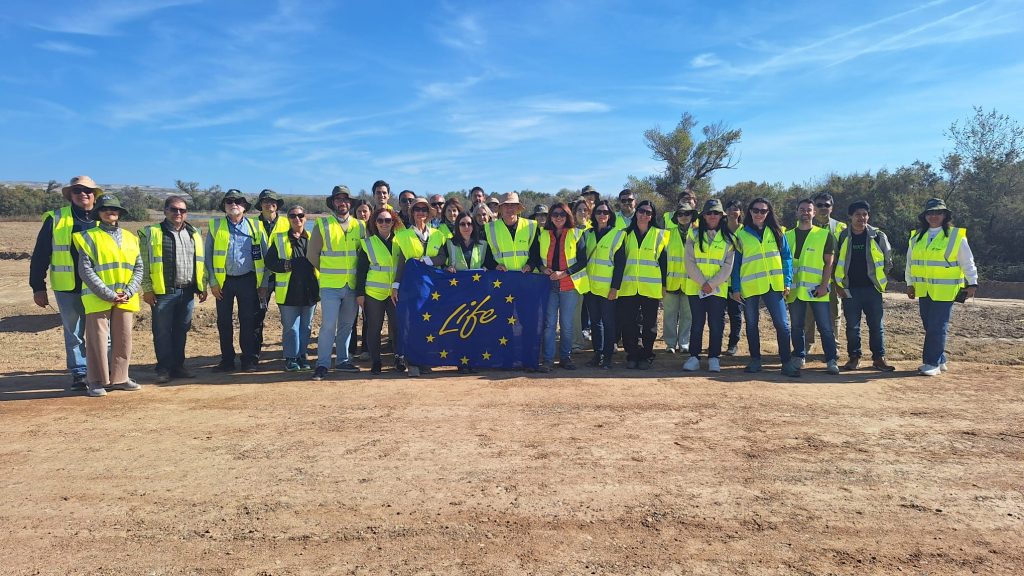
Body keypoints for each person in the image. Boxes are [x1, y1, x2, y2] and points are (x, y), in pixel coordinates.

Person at [30, 175, 102, 390]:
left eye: (88, 191)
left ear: (94, 195)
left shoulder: (105, 217)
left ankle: (101, 370)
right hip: (68, 287)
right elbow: (41, 254)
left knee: (101, 332)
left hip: (99, 287)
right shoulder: (56, 218)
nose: (83, 194)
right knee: (74, 334)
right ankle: (80, 373)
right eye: (77, 190)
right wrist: (38, 287)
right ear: (70, 195)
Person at [73, 195, 144, 397]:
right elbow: (85, 271)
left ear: (119, 212)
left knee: (123, 339)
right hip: (98, 297)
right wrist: (108, 294)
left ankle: (120, 378)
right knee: (98, 340)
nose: (110, 211)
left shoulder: (131, 238)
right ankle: (96, 381)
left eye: (114, 208)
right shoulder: (88, 236)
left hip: (125, 297)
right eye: (105, 208)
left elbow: (138, 268)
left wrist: (129, 291)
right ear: (98, 213)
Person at [906, 198, 978, 376]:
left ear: (945, 215)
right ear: (925, 216)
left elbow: (967, 261)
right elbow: (910, 263)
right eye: (930, 213)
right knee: (928, 324)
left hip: (945, 290)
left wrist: (972, 282)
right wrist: (910, 284)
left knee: (937, 326)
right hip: (924, 289)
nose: (934, 216)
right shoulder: (916, 237)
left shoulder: (955, 236)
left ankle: (932, 363)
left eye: (938, 212)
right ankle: (940, 359)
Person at [139, 195, 207, 384]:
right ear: (165, 211)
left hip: (187, 291)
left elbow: (200, 262)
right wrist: (147, 288)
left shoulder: (193, 232)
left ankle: (178, 366)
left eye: (182, 210)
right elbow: (144, 262)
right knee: (162, 332)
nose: (178, 213)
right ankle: (163, 369)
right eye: (174, 209)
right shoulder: (152, 232)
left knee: (181, 330)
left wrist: (202, 285)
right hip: (163, 292)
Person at [731, 198, 799, 377]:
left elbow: (787, 258)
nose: (759, 214)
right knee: (752, 324)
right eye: (755, 210)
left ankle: (786, 363)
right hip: (750, 287)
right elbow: (736, 265)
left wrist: (787, 281)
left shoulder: (777, 232)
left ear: (768, 213)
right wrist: (736, 288)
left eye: (763, 211)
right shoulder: (741, 235)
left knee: (782, 325)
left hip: (774, 286)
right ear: (750, 212)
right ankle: (755, 360)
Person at [308, 185, 366, 380]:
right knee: (328, 325)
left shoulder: (360, 226)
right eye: (338, 199)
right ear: (333, 203)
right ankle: (322, 364)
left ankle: (342, 360)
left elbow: (364, 255)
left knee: (347, 325)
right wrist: (326, 271)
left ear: (350, 203)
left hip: (352, 285)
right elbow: (312, 255)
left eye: (346, 199)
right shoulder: (322, 225)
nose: (342, 203)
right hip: (330, 286)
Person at [206, 189, 268, 373]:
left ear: (245, 207)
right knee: (223, 322)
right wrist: (213, 282)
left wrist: (263, 284)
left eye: (238, 201)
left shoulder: (256, 227)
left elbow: (265, 257)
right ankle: (227, 360)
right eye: (229, 201)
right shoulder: (216, 226)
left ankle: (248, 360)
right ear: (224, 207)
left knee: (248, 321)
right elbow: (208, 256)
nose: (234, 204)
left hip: (248, 281)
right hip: (223, 282)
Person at [834, 200, 895, 371]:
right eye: (858, 214)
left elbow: (887, 260)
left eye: (865, 214)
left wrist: (880, 280)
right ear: (850, 217)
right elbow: (837, 261)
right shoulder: (843, 236)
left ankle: (879, 358)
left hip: (872, 289)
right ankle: (854, 357)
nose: (862, 218)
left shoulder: (878, 235)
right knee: (852, 327)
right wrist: (839, 285)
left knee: (876, 325)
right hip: (850, 289)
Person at [529, 202, 589, 372]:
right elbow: (535, 257)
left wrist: (564, 273)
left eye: (562, 214)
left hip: (568, 284)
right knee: (549, 324)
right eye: (555, 214)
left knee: (567, 324)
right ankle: (548, 360)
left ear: (568, 216)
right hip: (548, 284)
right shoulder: (542, 234)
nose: (558, 217)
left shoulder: (577, 233)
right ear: (550, 217)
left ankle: (565, 358)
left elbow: (582, 261)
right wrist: (542, 268)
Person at [785, 199, 840, 375]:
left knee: (825, 327)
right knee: (797, 326)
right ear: (796, 212)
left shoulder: (824, 235)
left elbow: (828, 264)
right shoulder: (787, 236)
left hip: (818, 290)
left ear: (814, 213)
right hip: (795, 290)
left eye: (809, 210)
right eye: (802, 209)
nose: (805, 213)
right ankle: (799, 356)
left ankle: (831, 359)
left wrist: (824, 286)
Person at [437, 211, 496, 373]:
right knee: (459, 327)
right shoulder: (449, 244)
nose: (466, 227)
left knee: (476, 327)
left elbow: (491, 264)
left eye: (469, 224)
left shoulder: (483, 244)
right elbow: (442, 264)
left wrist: (488, 267)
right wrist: (446, 268)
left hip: (479, 294)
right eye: (462, 224)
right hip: (457, 293)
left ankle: (475, 360)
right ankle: (461, 361)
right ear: (457, 226)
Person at [682, 199, 736, 372]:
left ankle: (714, 357)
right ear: (703, 216)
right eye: (709, 213)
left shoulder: (729, 238)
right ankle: (694, 357)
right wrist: (702, 283)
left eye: (716, 213)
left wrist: (711, 284)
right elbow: (689, 262)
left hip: (717, 289)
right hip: (696, 287)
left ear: (722, 216)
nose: (712, 216)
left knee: (716, 324)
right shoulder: (693, 235)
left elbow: (728, 266)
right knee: (697, 323)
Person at [394, 197, 446, 377]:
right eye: (417, 210)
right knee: (412, 323)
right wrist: (395, 286)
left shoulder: (438, 234)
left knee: (430, 323)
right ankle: (413, 362)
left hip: (432, 287)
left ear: (429, 214)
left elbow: (442, 258)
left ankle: (426, 360)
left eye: (424, 210)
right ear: (412, 213)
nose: (421, 213)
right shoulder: (402, 236)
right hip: (411, 286)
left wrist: (426, 260)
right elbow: (400, 263)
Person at [265, 205, 319, 372]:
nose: (297, 219)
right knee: (291, 328)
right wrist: (287, 265)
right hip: (289, 291)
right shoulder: (279, 238)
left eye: (300, 215)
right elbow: (270, 262)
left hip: (310, 290)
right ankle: (291, 358)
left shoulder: (312, 238)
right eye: (293, 216)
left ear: (306, 217)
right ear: (288, 219)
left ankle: (302, 356)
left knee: (306, 327)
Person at [617, 200, 668, 369]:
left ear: (652, 216)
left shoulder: (660, 235)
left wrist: (664, 285)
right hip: (628, 286)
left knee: (649, 325)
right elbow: (620, 261)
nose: (644, 215)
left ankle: (646, 355)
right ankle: (632, 354)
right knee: (628, 323)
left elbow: (664, 262)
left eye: (648, 213)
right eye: (641, 211)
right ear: (636, 212)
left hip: (650, 287)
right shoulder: (625, 234)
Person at [357, 206, 405, 375]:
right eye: (380, 220)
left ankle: (399, 358)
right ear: (374, 223)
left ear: (393, 223)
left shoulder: (401, 242)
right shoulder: (367, 243)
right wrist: (360, 294)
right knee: (374, 327)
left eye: (388, 220)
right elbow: (361, 271)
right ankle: (376, 361)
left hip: (395, 293)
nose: (384, 223)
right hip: (373, 293)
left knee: (398, 327)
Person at [584, 200, 626, 369]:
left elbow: (620, 264)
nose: (602, 215)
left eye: (606, 212)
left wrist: (615, 287)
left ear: (611, 215)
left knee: (609, 323)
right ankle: (598, 354)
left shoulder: (617, 234)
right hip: (590, 287)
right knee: (595, 322)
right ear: (594, 215)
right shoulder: (588, 234)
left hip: (608, 288)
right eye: (599, 212)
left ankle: (607, 356)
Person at [804, 192, 848, 350]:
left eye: (826, 205)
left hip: (833, 279)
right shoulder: (805, 225)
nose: (823, 208)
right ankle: (807, 344)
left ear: (832, 208)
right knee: (808, 314)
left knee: (833, 313)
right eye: (819, 205)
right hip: (810, 278)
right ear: (814, 208)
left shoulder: (841, 228)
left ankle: (832, 345)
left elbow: (845, 255)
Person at [254, 189, 289, 364]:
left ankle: (290, 352)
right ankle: (254, 354)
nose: (269, 204)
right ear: (260, 205)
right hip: (261, 279)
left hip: (283, 277)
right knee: (257, 317)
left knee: (288, 316)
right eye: (265, 201)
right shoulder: (252, 224)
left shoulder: (287, 223)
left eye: (273, 201)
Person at [663, 202, 696, 355]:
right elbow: (662, 259)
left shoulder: (697, 234)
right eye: (680, 214)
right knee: (669, 314)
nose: (683, 217)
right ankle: (670, 343)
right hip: (672, 281)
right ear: (676, 217)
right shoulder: (667, 233)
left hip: (690, 283)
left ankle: (684, 342)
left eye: (687, 214)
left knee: (687, 315)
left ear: (692, 216)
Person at [484, 192, 538, 272]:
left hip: (526, 276)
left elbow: (536, 251)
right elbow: (486, 255)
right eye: (506, 205)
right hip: (501, 278)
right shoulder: (489, 228)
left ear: (517, 208)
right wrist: (495, 266)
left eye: (513, 205)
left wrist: (530, 265)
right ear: (501, 209)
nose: (509, 208)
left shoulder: (531, 225)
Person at [572, 199, 594, 352]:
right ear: (574, 213)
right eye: (579, 210)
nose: (582, 212)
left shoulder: (595, 229)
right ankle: (577, 343)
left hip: (595, 276)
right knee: (576, 312)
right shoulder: (569, 231)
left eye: (585, 210)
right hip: (577, 277)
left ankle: (601, 343)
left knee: (596, 312)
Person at [723, 199, 744, 356]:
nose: (732, 212)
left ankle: (733, 344)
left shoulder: (745, 232)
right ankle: (716, 343)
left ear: (740, 213)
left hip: (738, 282)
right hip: (720, 281)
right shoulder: (720, 231)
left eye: (736, 209)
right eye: (729, 208)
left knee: (736, 314)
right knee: (718, 316)